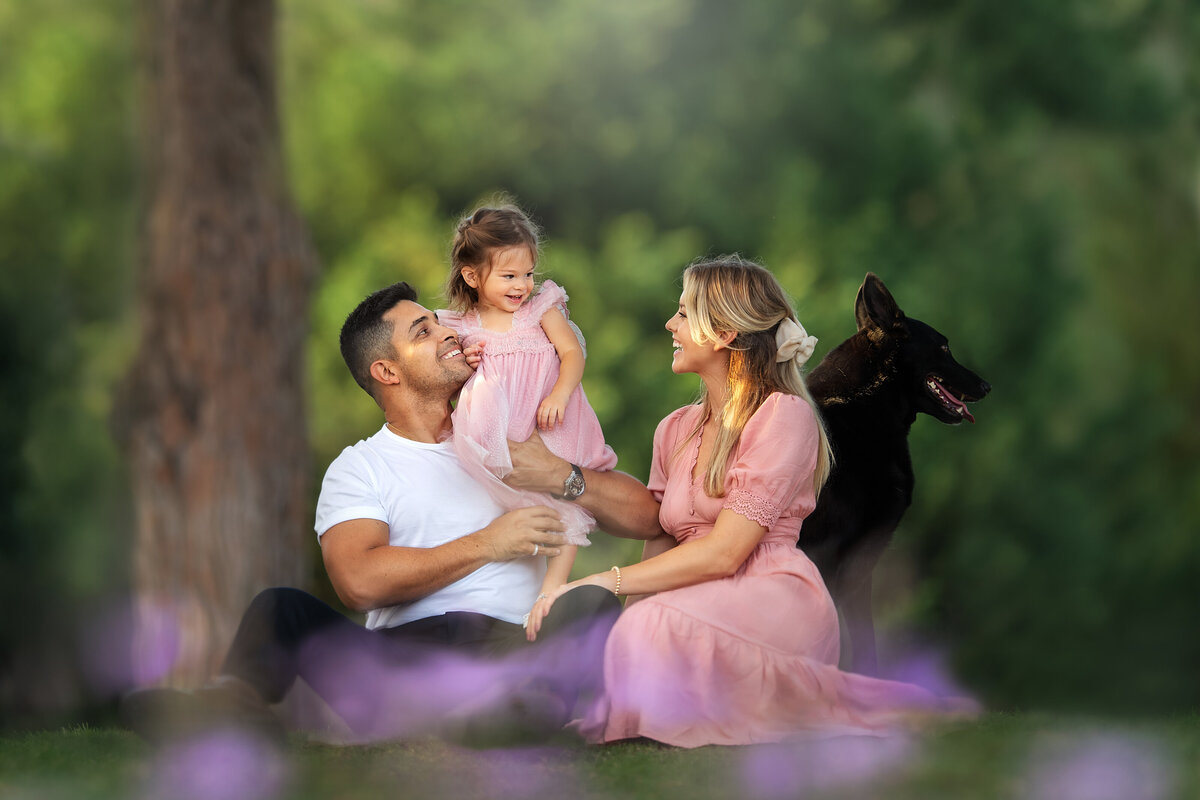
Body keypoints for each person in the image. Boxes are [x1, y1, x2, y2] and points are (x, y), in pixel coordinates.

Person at [120, 280, 659, 745]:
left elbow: (647, 518)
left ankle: (509, 712)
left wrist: (561, 476)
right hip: (399, 662)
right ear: (386, 370)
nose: (449, 332)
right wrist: (489, 543)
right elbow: (357, 582)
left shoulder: (514, 437)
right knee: (280, 607)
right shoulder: (360, 469)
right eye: (422, 333)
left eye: (438, 323)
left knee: (589, 601)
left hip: (512, 648)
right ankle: (229, 707)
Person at [519, 256, 971, 748]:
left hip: (772, 592)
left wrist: (604, 581)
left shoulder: (785, 415)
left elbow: (727, 552)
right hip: (697, 594)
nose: (671, 324)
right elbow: (663, 539)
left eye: (685, 313)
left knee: (649, 626)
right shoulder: (674, 428)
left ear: (727, 332)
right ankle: (545, 707)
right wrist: (626, 606)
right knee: (637, 626)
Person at [437, 204, 617, 642]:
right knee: (503, 510)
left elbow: (573, 354)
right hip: (495, 434)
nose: (522, 285)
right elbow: (446, 375)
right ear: (472, 276)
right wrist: (465, 360)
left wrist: (559, 394)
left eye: (528, 274)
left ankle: (551, 593)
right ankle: (491, 596)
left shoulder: (541, 309)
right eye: (509, 276)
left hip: (548, 422)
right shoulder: (461, 325)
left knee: (565, 503)